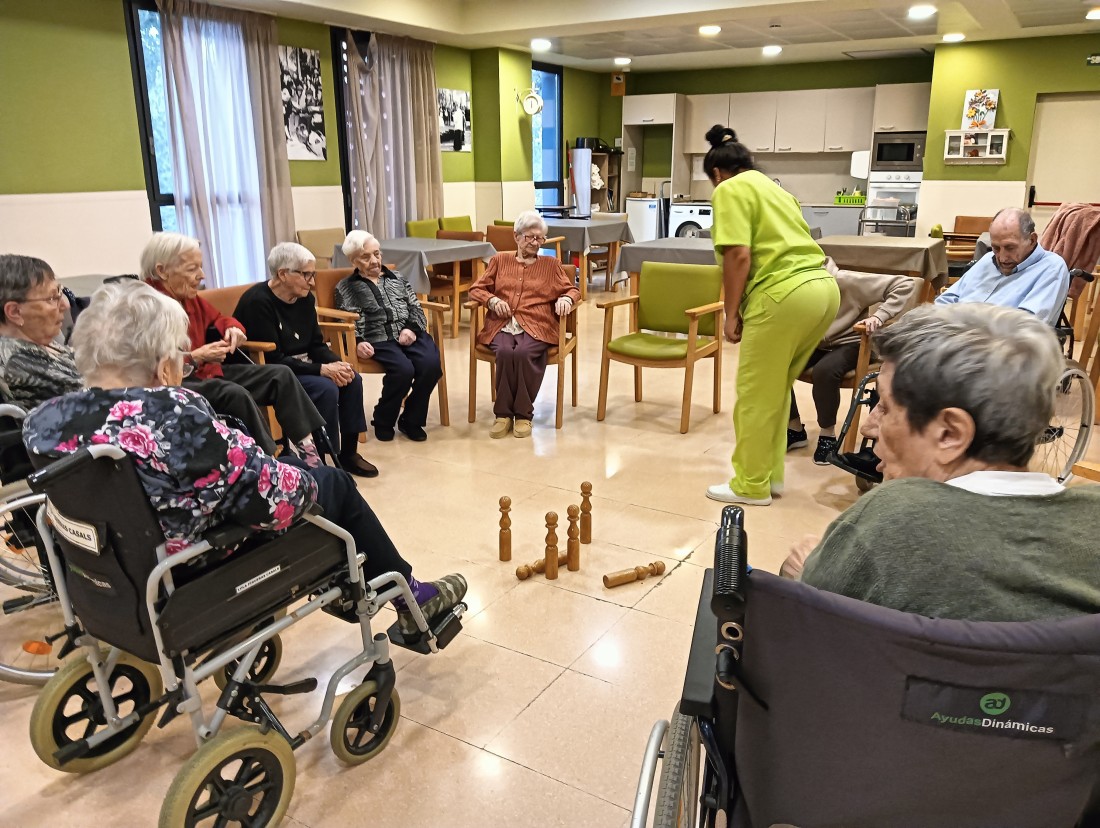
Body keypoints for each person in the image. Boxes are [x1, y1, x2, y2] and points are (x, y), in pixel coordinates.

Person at [22, 281, 466, 636]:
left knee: (301, 475)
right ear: (162, 366)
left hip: (108, 573)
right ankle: (409, 594)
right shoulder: (173, 415)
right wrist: (299, 472)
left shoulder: (43, 421)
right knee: (331, 483)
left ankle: (378, 584)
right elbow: (274, 503)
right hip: (194, 569)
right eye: (181, 356)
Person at [788, 303, 1100, 621]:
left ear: (950, 434)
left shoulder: (887, 521)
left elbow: (803, 625)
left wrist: (803, 572)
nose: (868, 427)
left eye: (885, 407)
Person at [702, 126, 840, 506]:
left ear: (717, 173)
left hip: (782, 295)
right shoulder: (776, 190)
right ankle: (768, 478)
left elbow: (738, 255)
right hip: (822, 290)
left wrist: (730, 314)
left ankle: (750, 485)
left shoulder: (729, 189)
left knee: (754, 395)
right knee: (775, 391)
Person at [141, 232, 326, 462]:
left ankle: (309, 451)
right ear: (162, 271)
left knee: (280, 375)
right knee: (236, 394)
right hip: (177, 383)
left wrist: (233, 329)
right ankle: (267, 461)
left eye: (200, 267)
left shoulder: (188, 297)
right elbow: (149, 366)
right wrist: (196, 356)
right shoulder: (145, 305)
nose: (202, 275)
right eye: (192, 269)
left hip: (207, 372)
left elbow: (221, 319)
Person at [232, 242, 378, 478]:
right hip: (274, 373)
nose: (312, 282)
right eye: (306, 275)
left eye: (313, 274)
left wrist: (338, 365)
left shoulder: (305, 299)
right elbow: (272, 358)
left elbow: (316, 345)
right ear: (283, 274)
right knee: (326, 388)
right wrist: (322, 370)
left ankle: (349, 453)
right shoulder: (257, 302)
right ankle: (323, 458)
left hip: (303, 365)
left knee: (352, 378)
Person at [788, 260, 918, 464]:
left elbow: (904, 284)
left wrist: (879, 316)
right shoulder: (797, 285)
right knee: (778, 365)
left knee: (825, 371)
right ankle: (795, 429)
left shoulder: (846, 281)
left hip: (852, 342)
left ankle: (827, 435)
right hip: (817, 343)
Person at [468, 211, 579, 439]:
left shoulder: (551, 265)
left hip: (538, 325)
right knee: (505, 351)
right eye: (530, 237)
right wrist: (492, 300)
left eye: (540, 238)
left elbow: (572, 290)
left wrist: (567, 299)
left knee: (524, 353)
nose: (535, 243)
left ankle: (523, 414)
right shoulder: (499, 261)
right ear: (516, 236)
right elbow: (476, 289)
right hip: (502, 324)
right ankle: (502, 415)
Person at [334, 231, 442, 443]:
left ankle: (411, 420)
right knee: (403, 370)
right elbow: (345, 319)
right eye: (366, 257)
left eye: (377, 254)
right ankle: (383, 419)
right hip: (378, 338)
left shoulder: (397, 278)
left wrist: (411, 329)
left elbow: (415, 307)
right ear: (353, 261)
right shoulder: (346, 287)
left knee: (431, 366)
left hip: (410, 333)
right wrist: (358, 342)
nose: (374, 261)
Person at [935, 207, 1070, 325]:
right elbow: (945, 300)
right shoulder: (987, 259)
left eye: (1010, 247)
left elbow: (1026, 327)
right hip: (953, 333)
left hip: (997, 343)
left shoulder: (1051, 267)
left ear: (1032, 240)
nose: (1002, 258)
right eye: (996, 248)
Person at [0, 254, 82, 410]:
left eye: (60, 293)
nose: (65, 305)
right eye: (52, 298)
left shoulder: (40, 342)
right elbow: (101, 399)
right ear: (15, 312)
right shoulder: (19, 362)